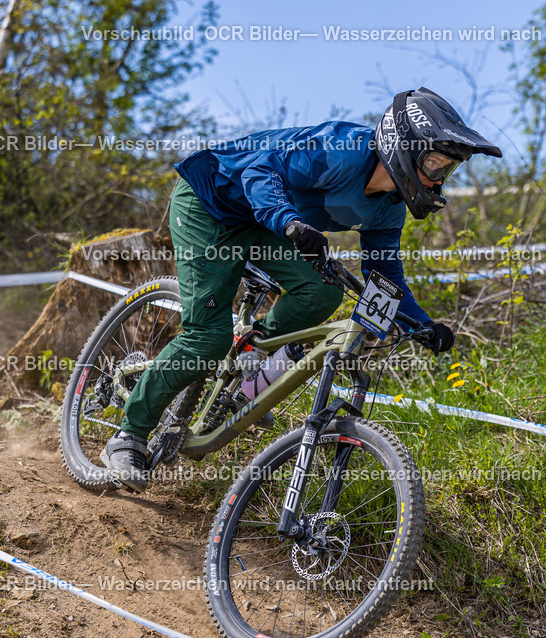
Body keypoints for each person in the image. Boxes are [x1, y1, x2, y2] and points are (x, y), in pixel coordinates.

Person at [102, 87, 503, 492]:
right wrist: (291, 223)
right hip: (210, 205)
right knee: (207, 338)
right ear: (402, 146)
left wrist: (421, 324)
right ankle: (129, 435)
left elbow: (384, 273)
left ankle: (248, 369)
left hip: (263, 223)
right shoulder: (342, 148)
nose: (437, 178)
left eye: (446, 169)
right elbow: (258, 172)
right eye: (433, 163)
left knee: (323, 293)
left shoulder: (388, 208)